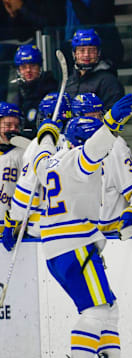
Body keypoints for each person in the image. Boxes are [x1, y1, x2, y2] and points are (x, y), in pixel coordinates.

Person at [31, 94, 132, 358]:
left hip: (56, 248)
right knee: (96, 309)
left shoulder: (48, 161)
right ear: (82, 139)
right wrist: (110, 124)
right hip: (76, 245)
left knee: (109, 307)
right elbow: (95, 148)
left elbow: (41, 152)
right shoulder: (78, 159)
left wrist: (46, 132)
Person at [71, 93, 132, 238]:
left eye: (99, 116)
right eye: (91, 117)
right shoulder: (65, 150)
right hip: (78, 237)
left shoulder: (115, 145)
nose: (97, 122)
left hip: (113, 235)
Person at [3, 93, 73, 250]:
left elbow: (27, 192)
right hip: (76, 230)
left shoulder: (39, 145)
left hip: (43, 232)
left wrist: (13, 220)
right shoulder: (76, 144)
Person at [66, 29, 125, 107]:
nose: (86, 55)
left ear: (98, 53)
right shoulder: (70, 80)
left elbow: (116, 115)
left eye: (91, 50)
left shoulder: (109, 81)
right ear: (74, 54)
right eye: (82, 50)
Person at [12, 44, 58, 134]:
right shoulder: (18, 94)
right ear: (19, 70)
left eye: (32, 66)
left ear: (40, 67)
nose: (28, 70)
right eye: (24, 67)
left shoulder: (52, 91)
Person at [0, 103, 24, 236]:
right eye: (8, 125)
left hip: (12, 227)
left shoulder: (23, 154)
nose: (13, 129)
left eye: (16, 126)